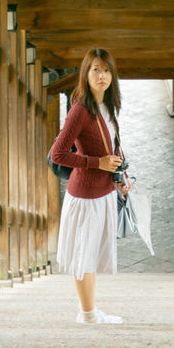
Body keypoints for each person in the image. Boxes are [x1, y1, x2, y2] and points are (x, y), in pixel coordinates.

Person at [50, 48, 126, 325]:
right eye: (95, 69)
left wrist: (122, 176)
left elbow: (113, 148)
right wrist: (98, 163)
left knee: (90, 254)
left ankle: (90, 311)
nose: (101, 75)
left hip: (104, 191)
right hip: (84, 195)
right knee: (83, 254)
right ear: (86, 74)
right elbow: (58, 155)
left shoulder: (108, 107)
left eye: (106, 70)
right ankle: (88, 315)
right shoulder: (80, 110)